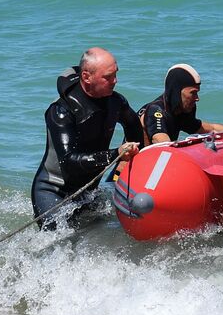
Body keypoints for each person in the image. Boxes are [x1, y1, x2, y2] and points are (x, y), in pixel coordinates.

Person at [31, 47, 143, 226]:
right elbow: (69, 162)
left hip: (89, 191)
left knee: (99, 236)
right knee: (59, 243)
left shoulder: (116, 102)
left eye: (116, 74)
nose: (115, 81)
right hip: (53, 190)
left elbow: (134, 127)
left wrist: (132, 161)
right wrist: (116, 154)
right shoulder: (61, 111)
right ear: (86, 77)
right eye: (108, 77)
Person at [136, 64, 223, 146]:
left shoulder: (181, 110)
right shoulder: (155, 110)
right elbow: (162, 142)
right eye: (193, 93)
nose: (197, 98)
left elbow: (211, 128)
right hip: (133, 169)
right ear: (177, 91)